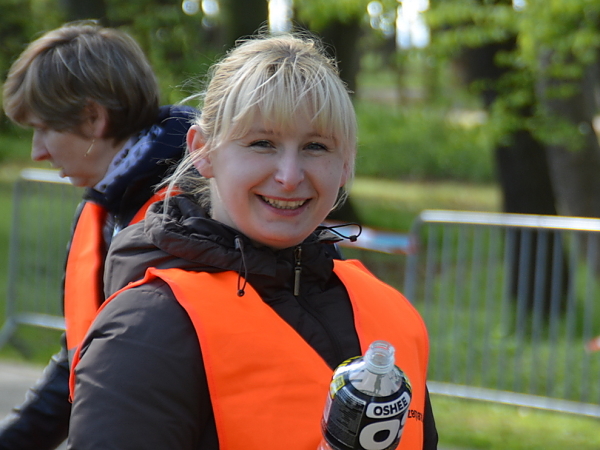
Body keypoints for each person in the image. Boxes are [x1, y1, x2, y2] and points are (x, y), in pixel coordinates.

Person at [68, 33, 438, 449]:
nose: (289, 176)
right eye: (262, 143)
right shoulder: (148, 328)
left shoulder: (391, 315)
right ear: (203, 151)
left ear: (346, 164)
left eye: (316, 146)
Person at [0, 22, 196, 449]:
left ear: (93, 118)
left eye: (43, 128)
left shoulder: (192, 212)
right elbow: (81, 362)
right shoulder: (104, 206)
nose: (37, 152)